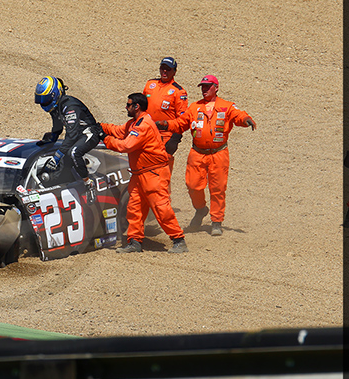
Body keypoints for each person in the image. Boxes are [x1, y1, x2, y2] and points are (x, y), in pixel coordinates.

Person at [156, 75, 256, 236]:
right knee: (193, 185)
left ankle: (216, 221)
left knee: (218, 188)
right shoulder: (194, 107)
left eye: (207, 86)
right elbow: (181, 123)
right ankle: (201, 209)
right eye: (202, 86)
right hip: (197, 152)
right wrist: (166, 124)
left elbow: (238, 115)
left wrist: (246, 120)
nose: (204, 89)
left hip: (219, 153)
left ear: (216, 87)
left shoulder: (226, 106)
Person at [100, 93, 188, 253]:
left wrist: (105, 139)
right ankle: (134, 242)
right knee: (134, 208)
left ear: (136, 107)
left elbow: (125, 146)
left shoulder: (143, 125)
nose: (126, 107)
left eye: (128, 105)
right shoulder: (134, 123)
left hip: (153, 173)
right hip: (140, 174)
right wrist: (101, 127)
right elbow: (119, 131)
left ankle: (178, 240)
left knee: (161, 208)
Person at [34, 76, 104, 204]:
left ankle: (88, 183)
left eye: (46, 99)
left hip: (88, 133)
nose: (43, 103)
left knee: (73, 153)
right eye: (41, 100)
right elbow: (57, 126)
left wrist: (57, 156)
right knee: (61, 152)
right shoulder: (55, 107)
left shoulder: (69, 105)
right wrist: (50, 141)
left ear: (55, 94)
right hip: (77, 134)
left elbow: (71, 135)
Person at [142, 56, 188, 174]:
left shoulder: (178, 92)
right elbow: (141, 107)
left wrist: (175, 139)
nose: (165, 71)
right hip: (146, 133)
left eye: (168, 69)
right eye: (163, 68)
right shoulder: (150, 84)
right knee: (142, 169)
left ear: (174, 72)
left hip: (165, 138)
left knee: (161, 174)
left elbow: (182, 119)